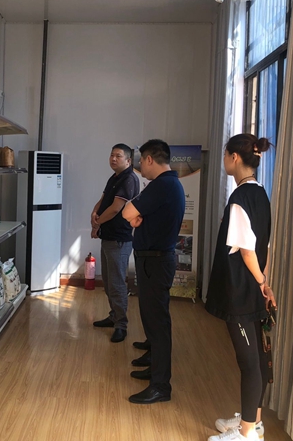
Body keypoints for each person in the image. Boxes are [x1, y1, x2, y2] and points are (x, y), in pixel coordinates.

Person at [205, 134, 277, 441]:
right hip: (254, 288)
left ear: (234, 157)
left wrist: (260, 282)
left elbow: (247, 251)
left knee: (249, 363)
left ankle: (247, 434)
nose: (224, 161)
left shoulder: (240, 199)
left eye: (225, 155)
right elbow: (265, 246)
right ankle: (253, 422)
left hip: (241, 291)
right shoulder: (260, 193)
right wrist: (265, 282)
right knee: (256, 359)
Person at [122, 139, 185, 404]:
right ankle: (154, 366)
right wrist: (137, 218)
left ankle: (160, 386)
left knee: (158, 323)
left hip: (156, 262)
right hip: (155, 260)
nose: (140, 167)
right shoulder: (170, 184)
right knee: (152, 318)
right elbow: (135, 215)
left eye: (141, 161)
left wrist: (135, 217)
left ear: (149, 159)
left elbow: (127, 212)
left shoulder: (162, 185)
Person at [90, 144, 140, 343]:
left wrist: (97, 222)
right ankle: (114, 316)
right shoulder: (115, 178)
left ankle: (121, 325)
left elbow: (115, 208)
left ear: (128, 160)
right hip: (108, 237)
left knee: (117, 284)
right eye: (111, 155)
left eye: (118, 156)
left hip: (119, 239)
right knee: (109, 282)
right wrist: (94, 214)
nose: (113, 159)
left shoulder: (129, 179)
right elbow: (103, 201)